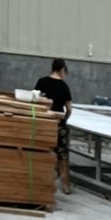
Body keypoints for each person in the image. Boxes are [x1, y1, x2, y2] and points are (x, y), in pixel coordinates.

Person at [35, 58, 72, 194]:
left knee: (42, 150)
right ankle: (65, 184)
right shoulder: (64, 86)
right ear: (62, 69)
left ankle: (41, 179)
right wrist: (65, 119)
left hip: (43, 122)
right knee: (61, 154)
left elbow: (35, 100)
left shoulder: (41, 82)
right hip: (58, 124)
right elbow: (69, 109)